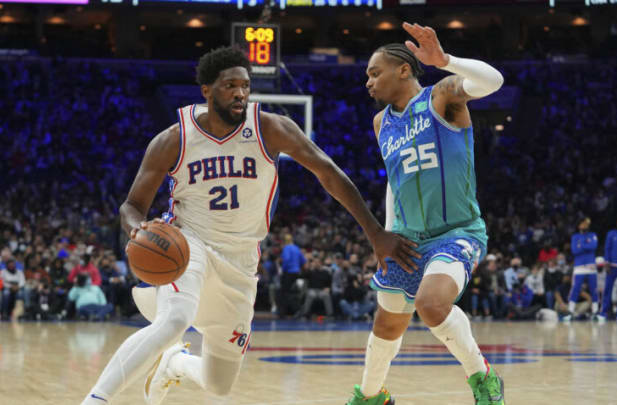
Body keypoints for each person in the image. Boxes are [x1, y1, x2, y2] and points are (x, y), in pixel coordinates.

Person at [80, 46, 417, 405]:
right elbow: (132, 206)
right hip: (188, 243)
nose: (240, 93)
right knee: (175, 320)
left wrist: (375, 233)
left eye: (245, 85)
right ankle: (95, 400)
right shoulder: (174, 139)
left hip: (241, 263)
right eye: (229, 86)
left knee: (219, 383)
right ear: (207, 90)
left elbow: (328, 173)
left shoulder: (270, 128)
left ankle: (175, 364)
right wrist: (137, 229)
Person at [347, 22, 505, 405]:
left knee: (431, 304)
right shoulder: (381, 122)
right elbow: (394, 181)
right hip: (405, 237)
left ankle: (483, 378)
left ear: (403, 70)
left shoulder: (442, 96)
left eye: (374, 72)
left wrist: (446, 61)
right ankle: (371, 396)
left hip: (456, 231)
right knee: (387, 323)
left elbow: (494, 81)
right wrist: (385, 237)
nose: (368, 82)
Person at [569, 217, 601, 320]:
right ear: (579, 226)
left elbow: (593, 247)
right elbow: (574, 251)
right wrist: (586, 245)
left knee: (593, 289)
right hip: (579, 266)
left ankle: (595, 312)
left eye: (586, 224)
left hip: (591, 265)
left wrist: (581, 245)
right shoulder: (575, 237)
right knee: (576, 288)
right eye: (582, 224)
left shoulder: (593, 235)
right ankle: (570, 311)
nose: (585, 225)